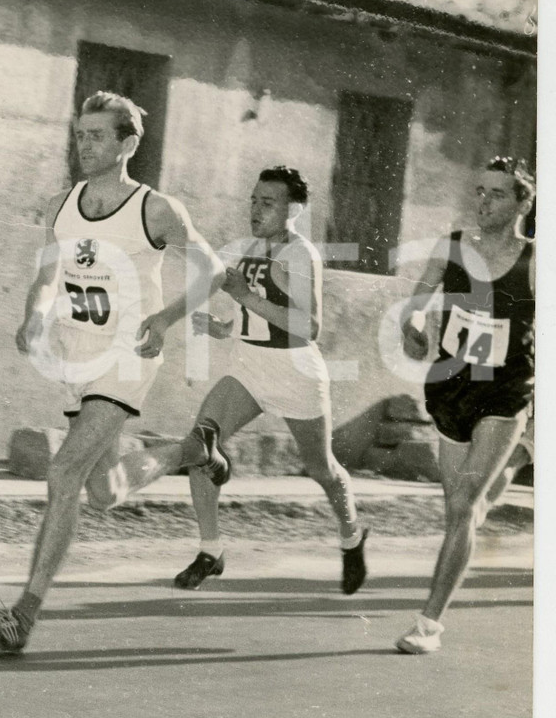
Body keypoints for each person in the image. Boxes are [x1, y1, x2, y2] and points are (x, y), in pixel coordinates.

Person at [0, 91, 229, 655]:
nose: (83, 145)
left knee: (63, 475)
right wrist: (33, 319)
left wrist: (165, 317)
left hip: (128, 355)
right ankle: (191, 452)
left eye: (96, 135)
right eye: (79, 134)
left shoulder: (155, 209)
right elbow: (45, 278)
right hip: (77, 357)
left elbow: (214, 270)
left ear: (127, 144)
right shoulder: (61, 204)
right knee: (104, 491)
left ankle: (23, 616)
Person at [143, 166, 368, 595]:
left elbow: (309, 327)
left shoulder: (301, 255)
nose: (256, 210)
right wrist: (225, 325)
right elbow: (245, 307)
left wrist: (245, 298)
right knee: (200, 443)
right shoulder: (241, 248)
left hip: (295, 372)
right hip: (248, 367)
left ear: (294, 209)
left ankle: (352, 536)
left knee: (322, 469)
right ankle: (211, 550)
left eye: (268, 202)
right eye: (253, 200)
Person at [396, 157, 535, 655]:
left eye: (497, 194)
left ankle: (428, 624)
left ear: (523, 202)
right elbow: (414, 305)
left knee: (463, 506)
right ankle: (516, 460)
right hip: (451, 390)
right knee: (461, 513)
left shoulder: (534, 261)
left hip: (505, 394)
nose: (483, 201)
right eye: (480, 191)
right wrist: (410, 328)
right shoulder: (451, 246)